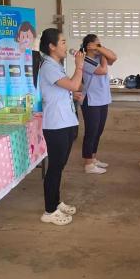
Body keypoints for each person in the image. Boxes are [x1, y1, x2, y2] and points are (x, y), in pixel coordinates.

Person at [38, 28, 84, 226]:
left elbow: (64, 89)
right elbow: (74, 84)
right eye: (63, 42)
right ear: (52, 46)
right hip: (55, 124)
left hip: (65, 121)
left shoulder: (55, 65)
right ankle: (49, 211)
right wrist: (79, 66)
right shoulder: (48, 66)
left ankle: (56, 203)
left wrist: (71, 95)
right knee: (55, 167)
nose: (66, 46)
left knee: (60, 166)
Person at [80, 34, 118, 174]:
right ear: (89, 46)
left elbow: (113, 57)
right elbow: (103, 70)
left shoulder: (98, 57)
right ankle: (88, 164)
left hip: (102, 100)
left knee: (98, 131)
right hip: (91, 101)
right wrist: (102, 53)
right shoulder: (86, 60)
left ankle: (93, 158)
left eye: (100, 45)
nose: (99, 47)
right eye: (97, 44)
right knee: (91, 132)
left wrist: (101, 49)